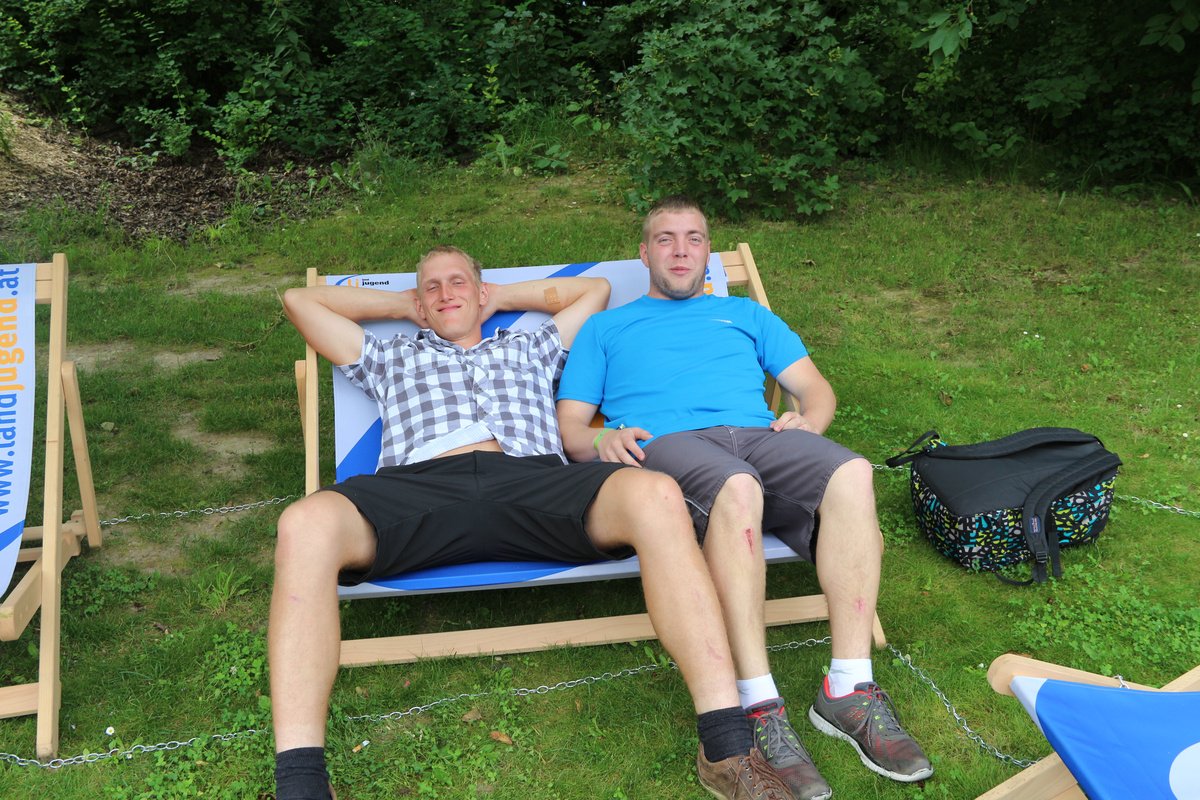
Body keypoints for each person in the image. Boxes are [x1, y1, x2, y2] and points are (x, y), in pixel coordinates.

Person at [270, 245, 796, 800]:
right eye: (432, 286)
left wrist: (496, 296)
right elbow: (300, 300)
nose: (445, 293)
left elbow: (593, 290)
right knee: (303, 524)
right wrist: (407, 305)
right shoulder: (387, 355)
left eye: (458, 282)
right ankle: (301, 784)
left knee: (658, 493)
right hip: (418, 487)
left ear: (481, 292)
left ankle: (726, 746)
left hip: (534, 480)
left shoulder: (531, 346)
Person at [556, 198, 933, 800]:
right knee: (736, 487)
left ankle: (849, 689)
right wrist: (603, 439)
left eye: (694, 238)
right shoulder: (606, 328)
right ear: (644, 253)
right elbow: (572, 429)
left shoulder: (747, 314)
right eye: (666, 239)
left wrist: (809, 422)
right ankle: (758, 704)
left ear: (709, 252)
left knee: (853, 472)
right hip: (670, 444)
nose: (681, 250)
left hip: (759, 437)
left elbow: (815, 389)